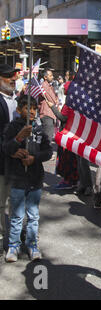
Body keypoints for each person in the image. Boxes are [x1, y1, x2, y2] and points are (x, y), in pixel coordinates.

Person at [3, 95, 52, 262]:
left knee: (33, 215)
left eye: (34, 108)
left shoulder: (39, 129)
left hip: (35, 180)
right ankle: (13, 245)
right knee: (16, 215)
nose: (31, 111)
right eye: (27, 108)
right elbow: (6, 148)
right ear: (19, 110)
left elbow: (48, 152)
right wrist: (19, 138)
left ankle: (32, 244)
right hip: (17, 179)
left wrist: (34, 158)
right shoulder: (12, 127)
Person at [0, 64, 19, 256]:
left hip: (20, 165)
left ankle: (16, 241)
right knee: (1, 204)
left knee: (19, 203)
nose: (13, 79)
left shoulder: (20, 101)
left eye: (14, 75)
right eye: (8, 76)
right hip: (3, 163)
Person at [50, 81, 79, 190]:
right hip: (72, 134)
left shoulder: (69, 104)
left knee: (67, 159)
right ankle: (73, 180)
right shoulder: (75, 102)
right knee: (71, 159)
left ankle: (68, 180)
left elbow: (63, 117)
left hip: (67, 134)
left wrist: (52, 107)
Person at [38, 69, 59, 142]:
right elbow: (51, 99)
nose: (52, 77)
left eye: (52, 75)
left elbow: (55, 98)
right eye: (50, 75)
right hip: (47, 114)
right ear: (45, 77)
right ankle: (45, 152)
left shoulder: (50, 86)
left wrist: (57, 100)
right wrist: (56, 101)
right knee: (47, 137)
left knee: (48, 136)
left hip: (51, 114)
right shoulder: (44, 85)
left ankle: (45, 151)